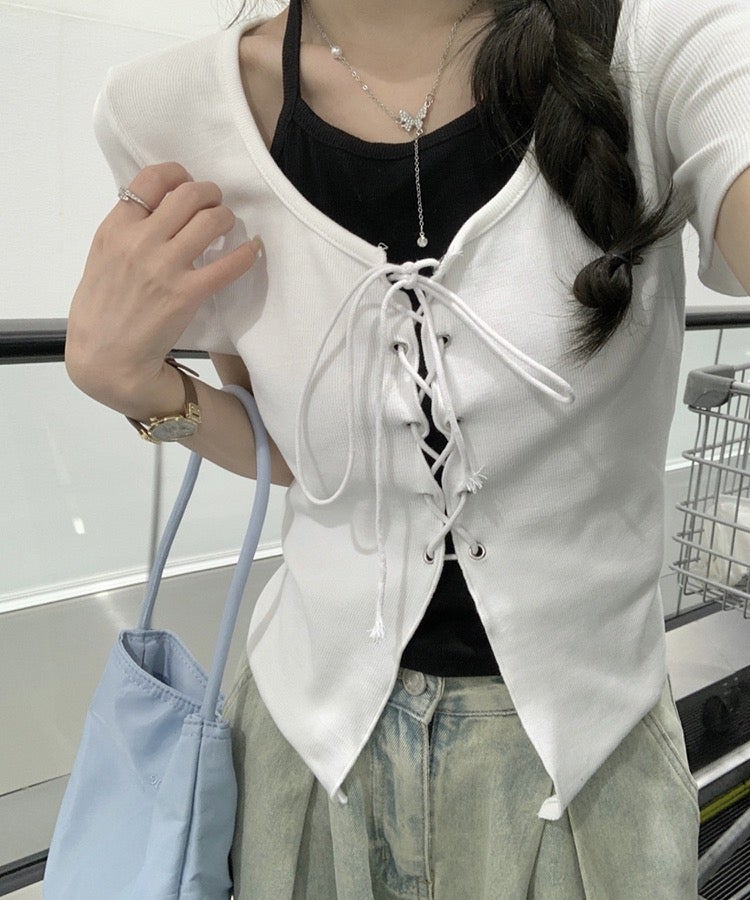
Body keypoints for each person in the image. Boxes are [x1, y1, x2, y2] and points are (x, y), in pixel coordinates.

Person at [65, 0, 750, 895]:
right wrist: (142, 390)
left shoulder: (661, 41)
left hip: (588, 763)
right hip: (308, 756)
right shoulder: (165, 110)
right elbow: (293, 451)